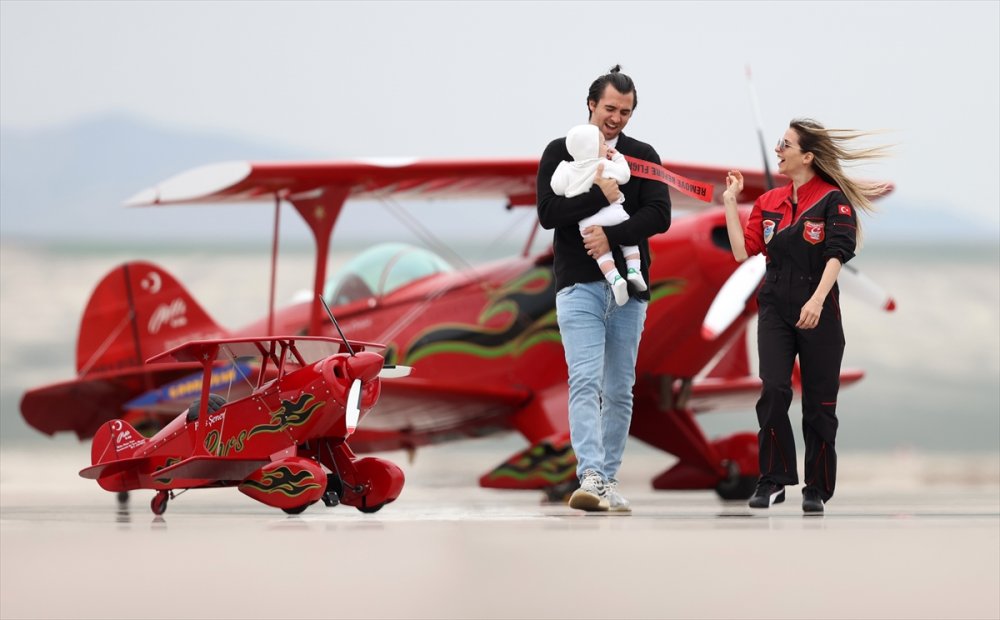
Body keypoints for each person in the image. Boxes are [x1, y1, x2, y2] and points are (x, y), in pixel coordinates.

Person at [721, 118, 889, 514]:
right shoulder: (767, 203)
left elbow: (837, 254)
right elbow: (741, 252)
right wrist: (731, 202)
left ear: (808, 156)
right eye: (779, 143)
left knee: (819, 404)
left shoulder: (833, 200)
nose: (778, 150)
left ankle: (816, 488)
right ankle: (773, 479)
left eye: (786, 144)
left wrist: (816, 301)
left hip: (820, 308)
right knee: (774, 390)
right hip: (775, 306)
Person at [536, 66, 671, 512]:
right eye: (610, 108)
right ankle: (589, 475)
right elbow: (550, 212)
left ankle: (607, 479)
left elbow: (660, 214)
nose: (616, 119)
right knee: (584, 381)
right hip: (578, 286)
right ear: (591, 104)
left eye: (626, 112)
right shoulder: (559, 151)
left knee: (620, 389)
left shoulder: (643, 155)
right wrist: (603, 196)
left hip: (631, 291)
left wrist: (613, 235)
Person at [550, 123, 647, 306]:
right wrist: (618, 157)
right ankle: (634, 270)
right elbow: (625, 175)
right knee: (629, 241)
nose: (607, 147)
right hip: (613, 213)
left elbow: (557, 187)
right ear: (592, 148)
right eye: (602, 144)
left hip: (587, 223)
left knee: (600, 253)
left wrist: (563, 167)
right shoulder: (603, 164)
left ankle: (615, 279)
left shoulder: (569, 169)